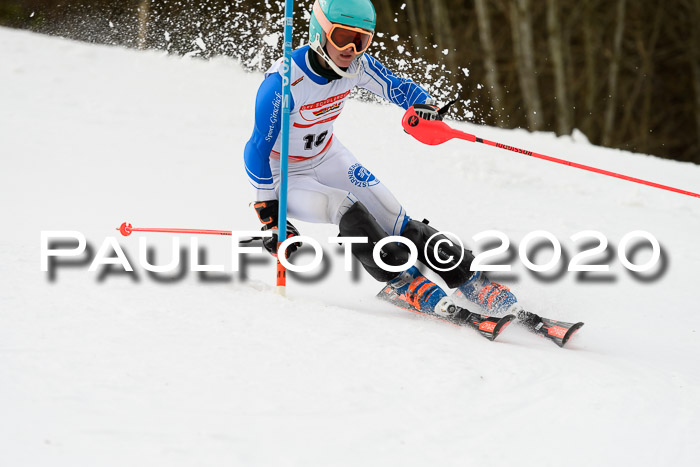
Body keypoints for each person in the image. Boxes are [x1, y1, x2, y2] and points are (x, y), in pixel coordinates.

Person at [244, 0, 536, 327]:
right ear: (319, 31)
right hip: (286, 174)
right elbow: (256, 147)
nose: (351, 48)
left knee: (394, 216)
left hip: (327, 155)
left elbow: (397, 87)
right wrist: (269, 214)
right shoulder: (284, 83)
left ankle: (468, 277)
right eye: (341, 36)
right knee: (347, 209)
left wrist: (423, 106)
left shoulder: (358, 66)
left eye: (361, 39)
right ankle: (401, 282)